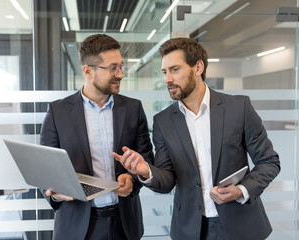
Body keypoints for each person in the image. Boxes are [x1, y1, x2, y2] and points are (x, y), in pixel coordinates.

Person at [113, 38, 280, 240]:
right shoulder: (163, 121)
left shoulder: (238, 108)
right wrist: (145, 171)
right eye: (165, 72)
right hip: (190, 229)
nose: (167, 79)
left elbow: (269, 161)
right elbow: (167, 181)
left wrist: (241, 190)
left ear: (198, 67)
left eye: (174, 69)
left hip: (240, 225)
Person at [40, 34, 153, 240]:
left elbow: (146, 159)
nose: (120, 74)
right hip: (77, 225)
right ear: (88, 71)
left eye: (121, 66)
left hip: (124, 224)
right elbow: (45, 169)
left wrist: (133, 180)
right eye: (113, 68)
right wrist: (54, 192)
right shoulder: (58, 112)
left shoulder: (133, 109)